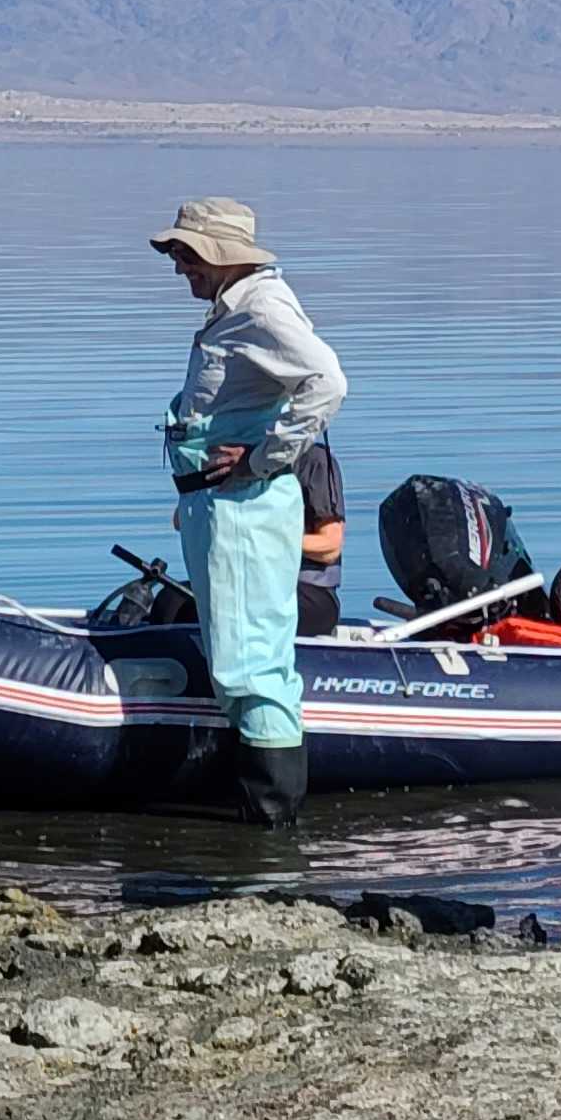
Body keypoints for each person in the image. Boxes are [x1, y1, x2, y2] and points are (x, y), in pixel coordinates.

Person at [153, 198, 348, 822]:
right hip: (220, 507)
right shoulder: (234, 310)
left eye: (187, 254)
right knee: (236, 651)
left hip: (244, 509)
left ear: (219, 255)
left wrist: (264, 457)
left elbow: (328, 381)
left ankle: (268, 814)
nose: (179, 266)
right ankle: (255, 797)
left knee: (249, 661)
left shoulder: (263, 308)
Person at [297, 438, 350, 638]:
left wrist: (267, 542)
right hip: (254, 583)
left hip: (311, 592)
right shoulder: (236, 462)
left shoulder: (314, 460)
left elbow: (330, 546)